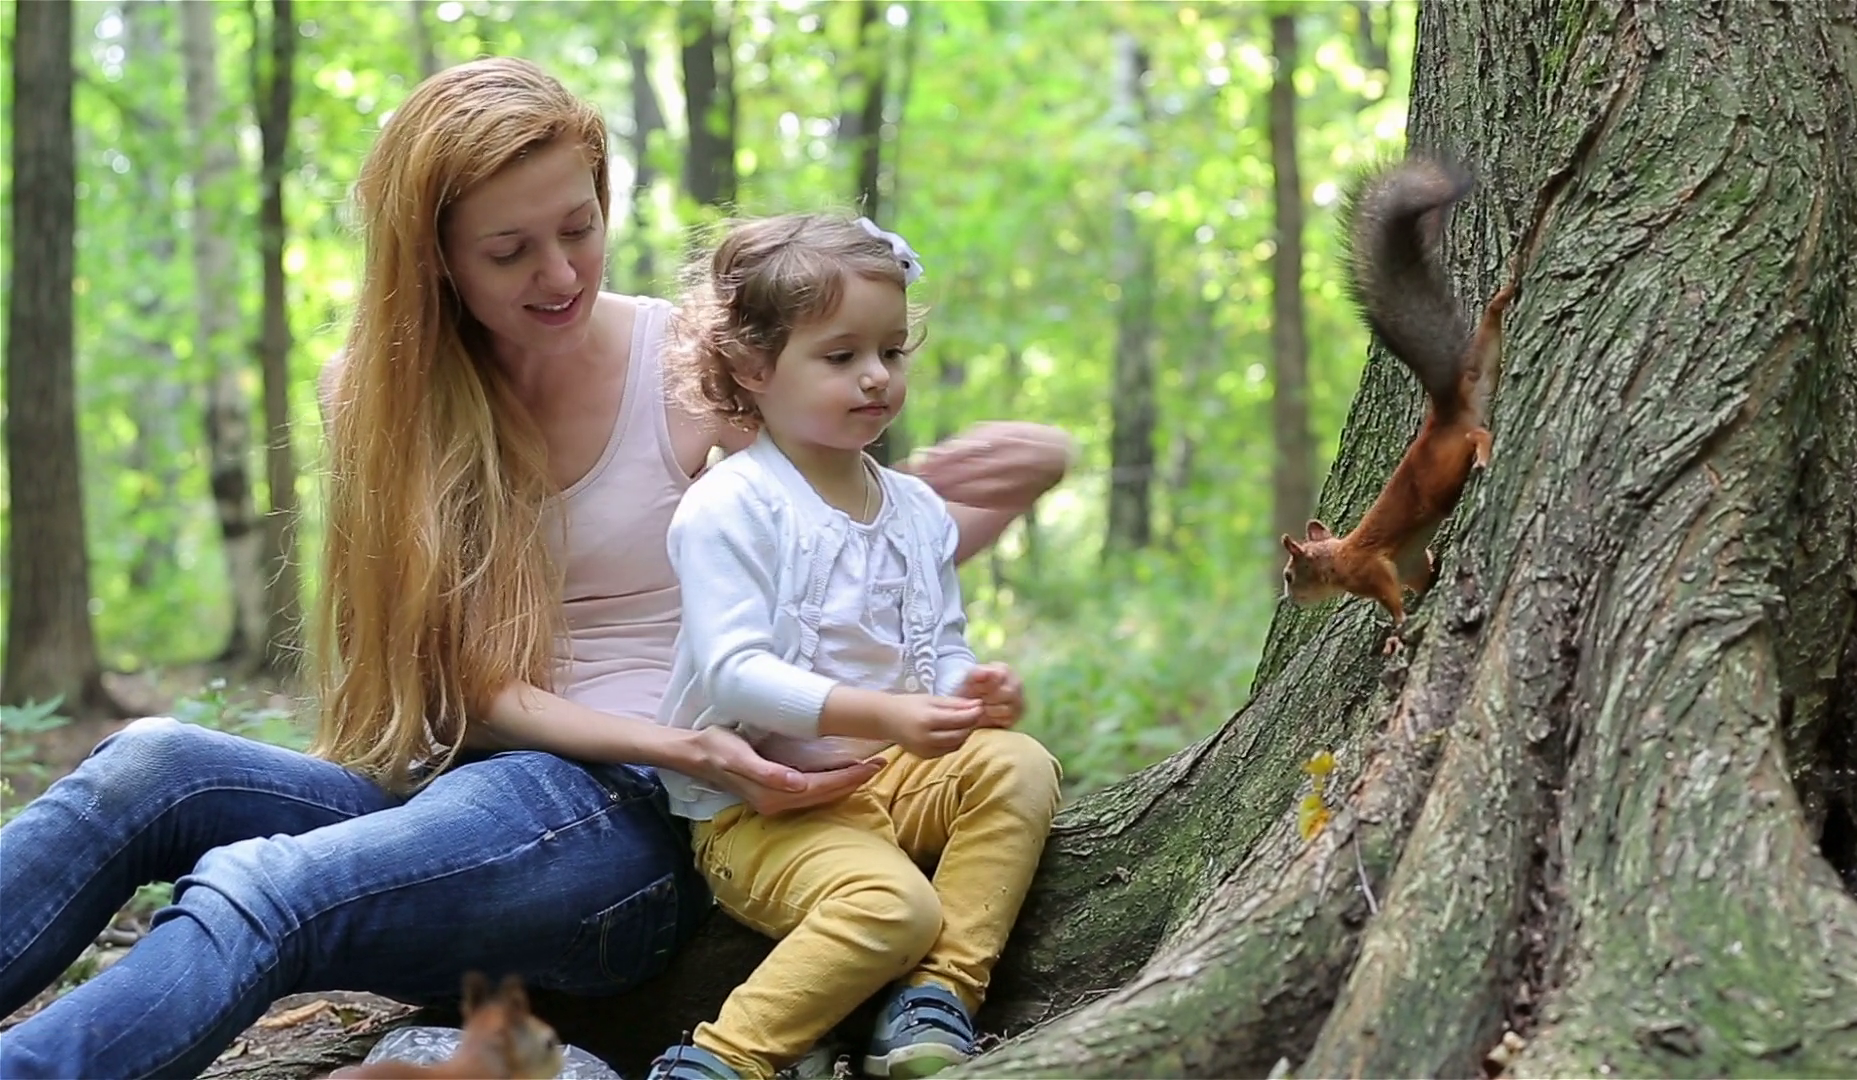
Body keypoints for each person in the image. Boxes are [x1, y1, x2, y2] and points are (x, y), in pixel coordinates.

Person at [0, 57, 1071, 1080]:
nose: (559, 274)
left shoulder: (684, 365)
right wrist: (679, 738)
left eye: (579, 228)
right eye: (509, 251)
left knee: (268, 889)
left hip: (640, 823)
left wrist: (977, 490)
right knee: (150, 767)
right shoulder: (375, 393)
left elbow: (832, 563)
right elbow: (462, 685)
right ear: (436, 259)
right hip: (467, 792)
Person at [642, 214, 1063, 1080]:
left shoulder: (914, 511)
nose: (876, 375)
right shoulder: (732, 505)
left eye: (891, 351)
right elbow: (735, 673)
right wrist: (886, 714)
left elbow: (938, 646)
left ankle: (936, 998)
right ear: (753, 367)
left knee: (1020, 765)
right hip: (763, 806)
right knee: (894, 906)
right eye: (841, 356)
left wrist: (970, 690)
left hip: (891, 776)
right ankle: (722, 1059)